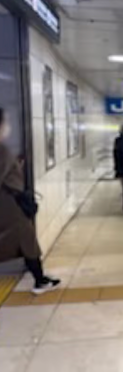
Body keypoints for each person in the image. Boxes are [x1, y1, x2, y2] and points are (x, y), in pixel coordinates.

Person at [0, 108, 60, 295]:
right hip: (10, 207)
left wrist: (15, 166)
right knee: (27, 241)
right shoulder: (1, 150)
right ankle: (40, 281)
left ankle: (40, 278)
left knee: (26, 242)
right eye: (5, 122)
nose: (8, 127)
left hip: (9, 206)